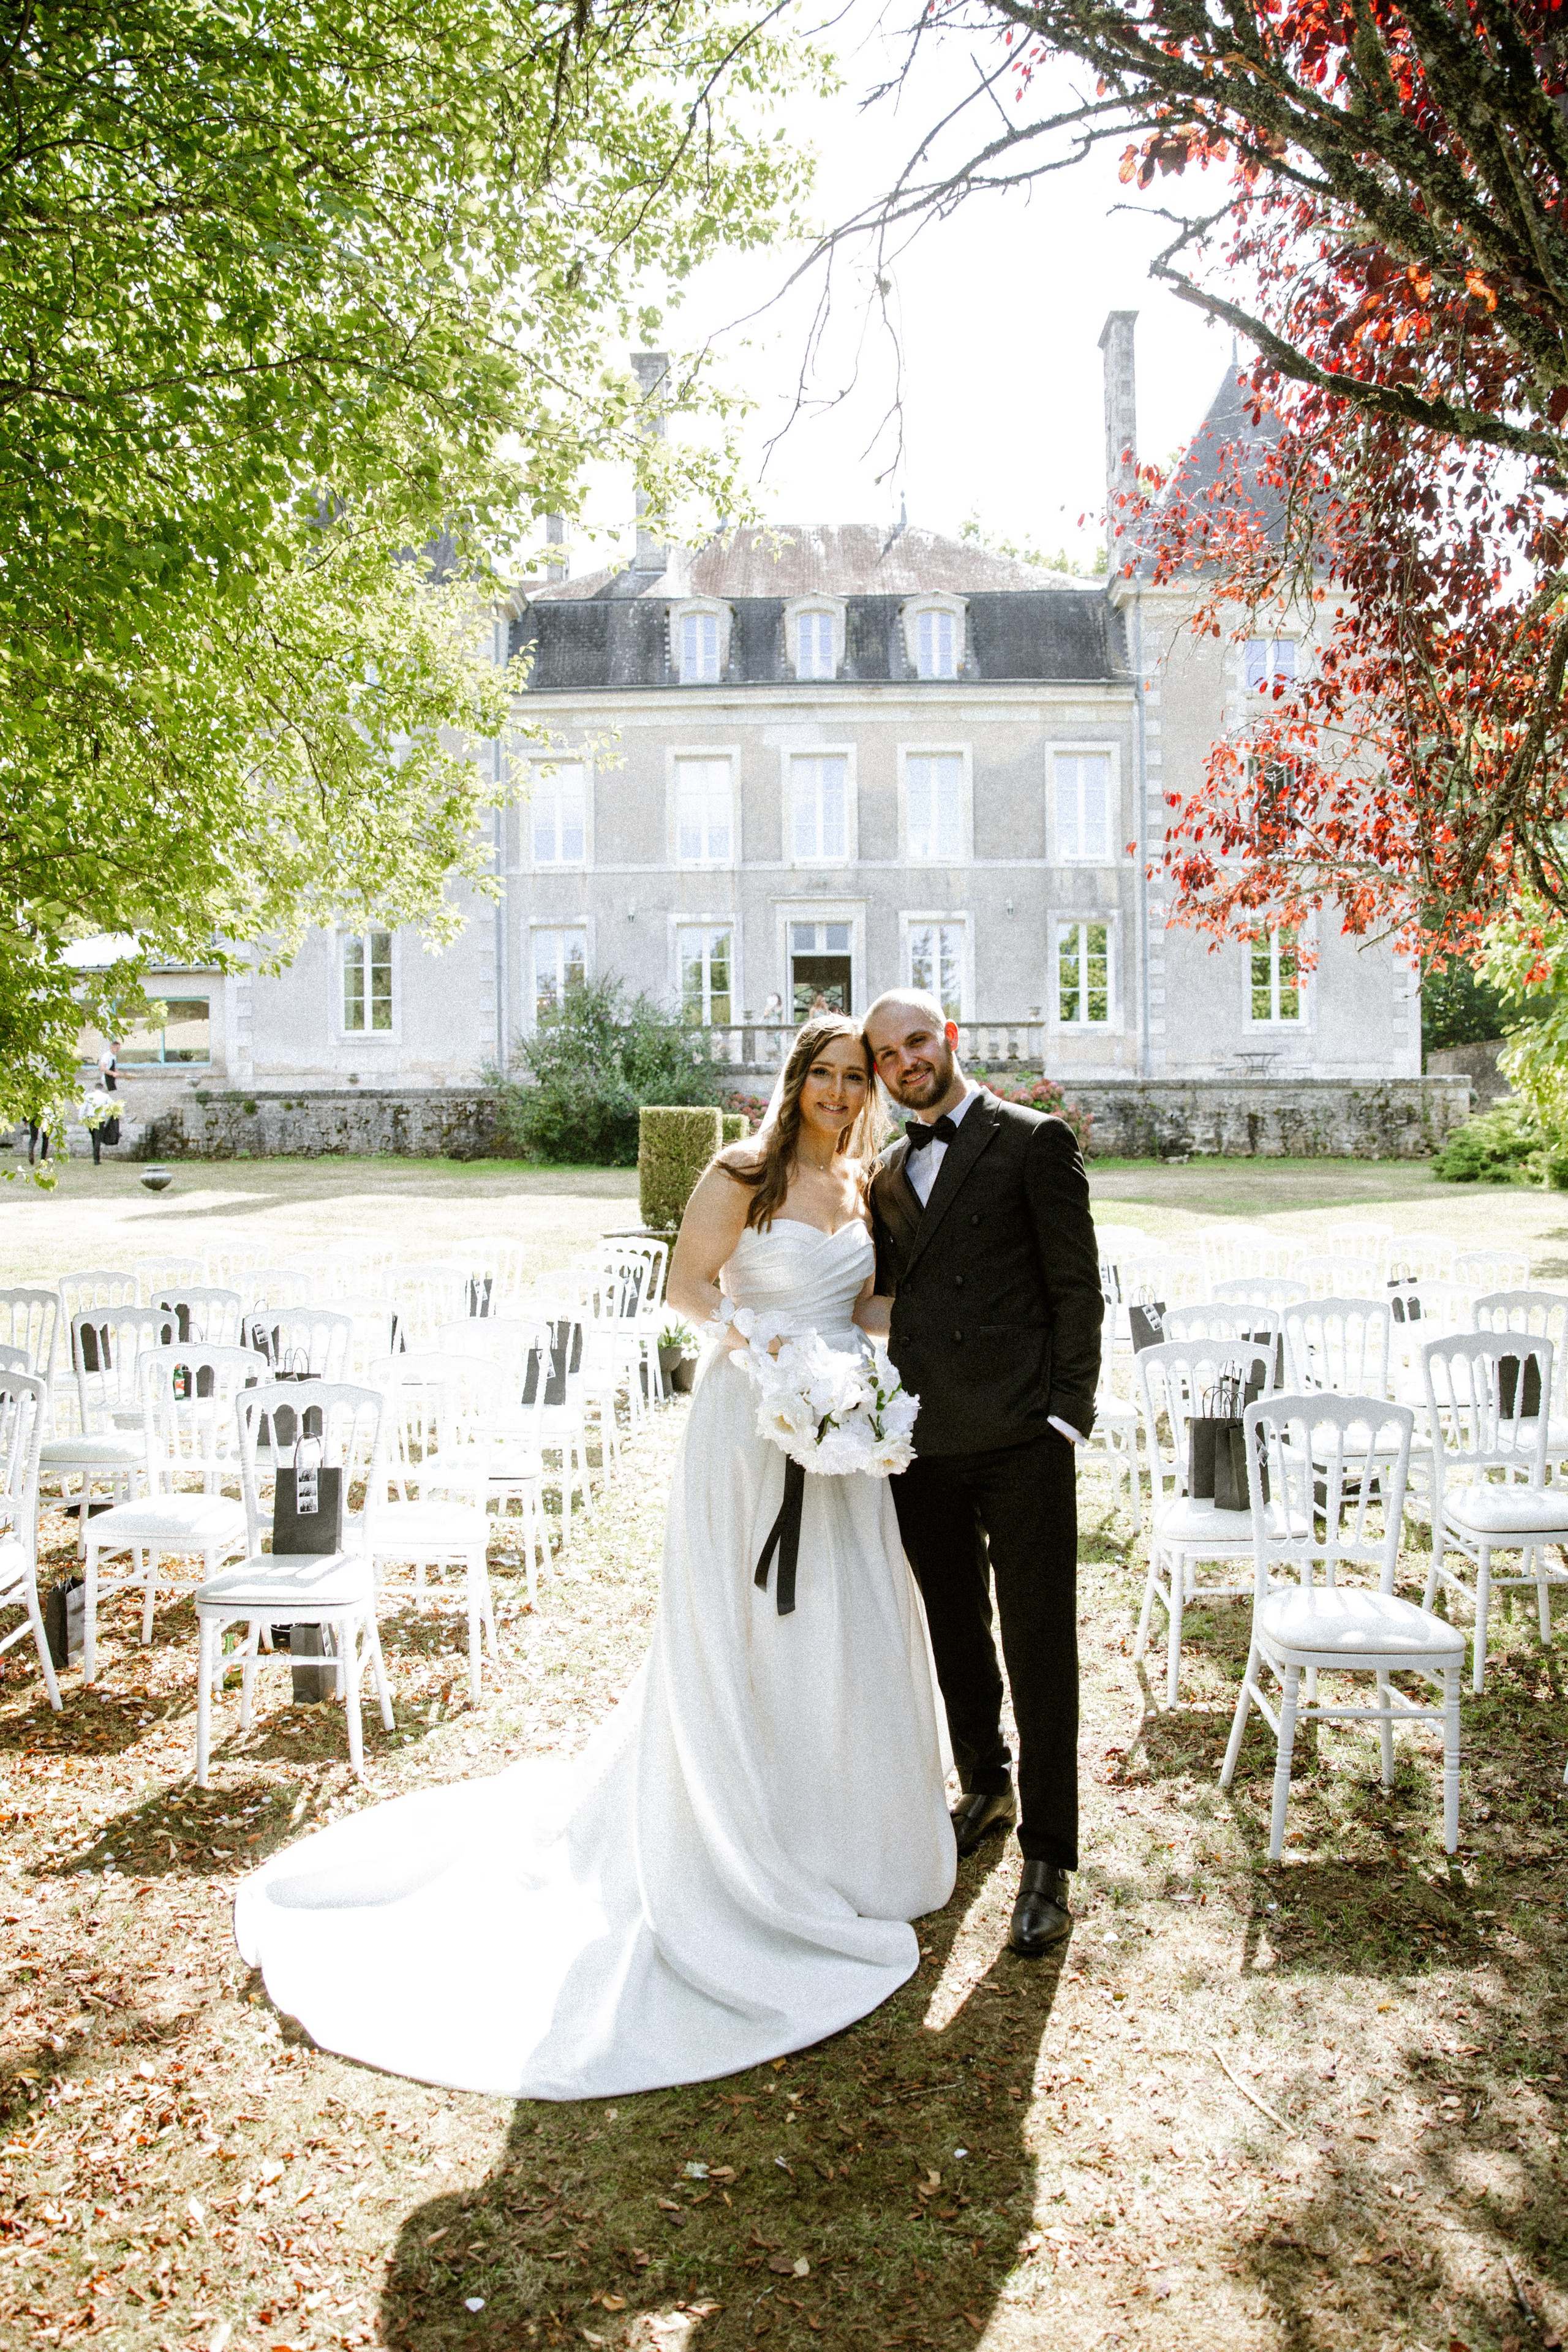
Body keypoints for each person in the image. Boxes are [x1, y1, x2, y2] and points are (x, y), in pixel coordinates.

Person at [233, 1016, 954, 2096]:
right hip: (750, 1424)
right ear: (796, 1079)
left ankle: (837, 1842)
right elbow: (688, 1288)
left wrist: (923, 1340)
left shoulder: (863, 1191)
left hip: (838, 1436)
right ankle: (726, 1839)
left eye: (858, 1080)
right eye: (828, 1076)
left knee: (843, 1623)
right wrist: (780, 1367)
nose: (844, 1094)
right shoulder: (741, 1172)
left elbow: (859, 1306)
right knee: (740, 1626)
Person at [861, 989, 1102, 1958]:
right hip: (922, 1444)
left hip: (1020, 1437)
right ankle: (987, 1785)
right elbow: (886, 1302)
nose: (903, 1061)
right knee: (955, 1630)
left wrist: (1064, 1417)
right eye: (885, 1054)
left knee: (1042, 1642)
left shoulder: (1032, 1139)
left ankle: (1049, 1852)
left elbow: (1077, 1288)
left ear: (950, 1037)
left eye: (916, 1041)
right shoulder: (883, 1171)